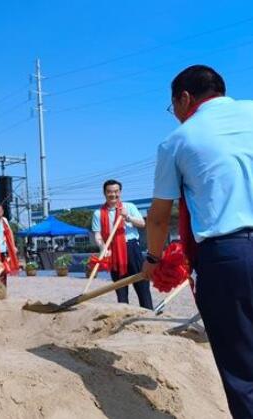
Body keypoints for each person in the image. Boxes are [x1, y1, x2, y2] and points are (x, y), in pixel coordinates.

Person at [143, 65, 253, 418]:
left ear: (185, 98)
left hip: (229, 257)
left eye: (172, 106)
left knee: (243, 368)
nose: (174, 114)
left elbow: (159, 217)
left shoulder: (179, 140)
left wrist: (153, 259)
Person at [91, 180, 152, 309]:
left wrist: (128, 217)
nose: (113, 194)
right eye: (109, 192)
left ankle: (148, 313)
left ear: (120, 192)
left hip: (131, 249)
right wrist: (103, 247)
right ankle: (123, 315)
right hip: (113, 252)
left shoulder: (129, 207)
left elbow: (142, 223)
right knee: (120, 288)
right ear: (104, 193)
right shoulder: (98, 213)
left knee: (142, 285)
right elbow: (98, 235)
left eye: (116, 191)